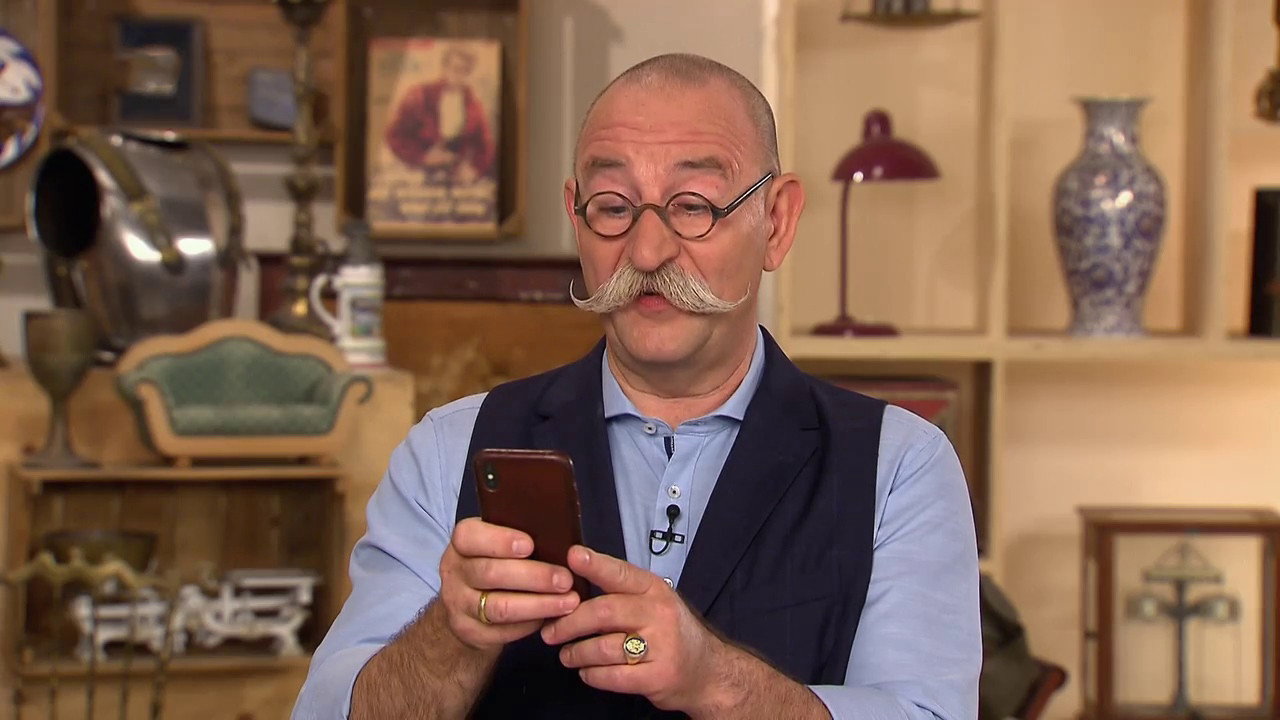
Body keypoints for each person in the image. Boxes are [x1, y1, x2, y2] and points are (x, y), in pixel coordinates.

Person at [293, 52, 980, 720]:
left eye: (693, 206)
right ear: (576, 215)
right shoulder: (449, 451)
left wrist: (718, 683)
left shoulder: (899, 466)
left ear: (776, 221)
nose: (647, 253)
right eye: (614, 206)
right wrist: (451, 638)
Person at [383, 43, 496, 187]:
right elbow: (394, 135)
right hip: (415, 173)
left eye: (466, 70)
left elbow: (485, 145)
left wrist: (474, 169)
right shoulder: (420, 95)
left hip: (455, 178)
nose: (459, 75)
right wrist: (422, 157)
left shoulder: (474, 105)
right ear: (444, 67)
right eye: (455, 68)